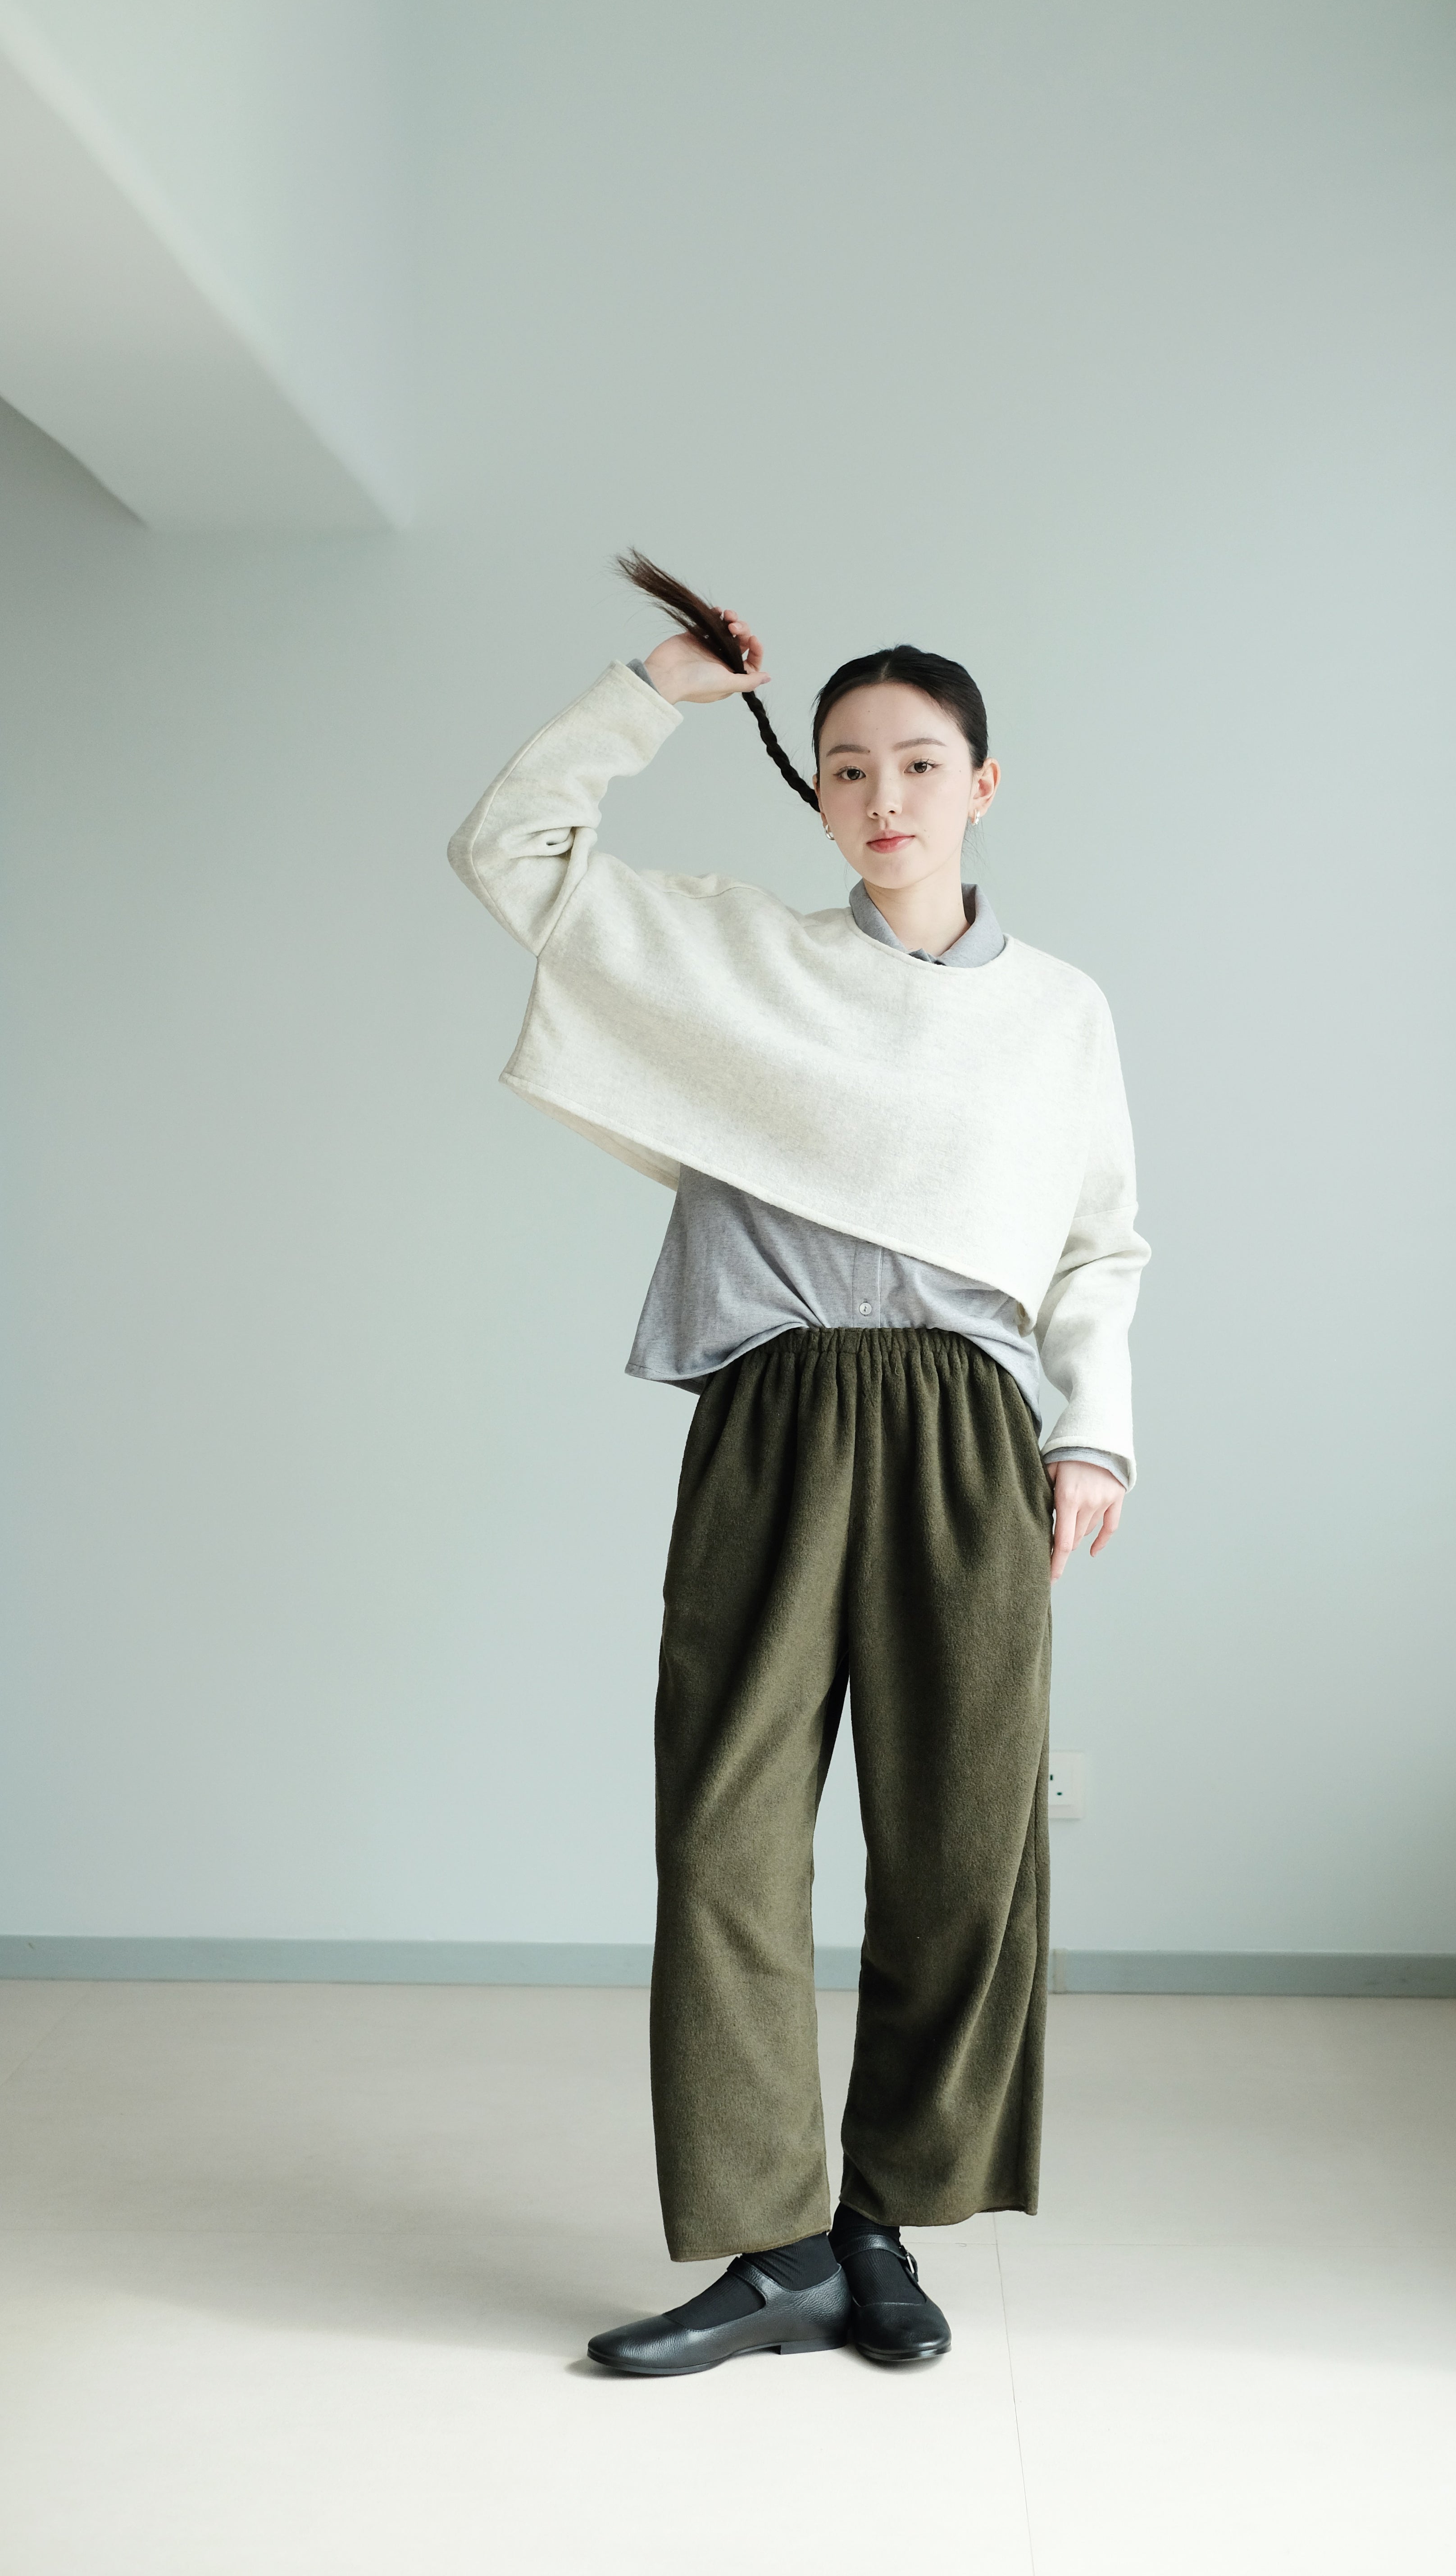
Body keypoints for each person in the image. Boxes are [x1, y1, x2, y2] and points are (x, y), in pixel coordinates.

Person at [447, 556, 1148, 2376]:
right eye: (846, 767)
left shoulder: (1059, 1013)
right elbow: (511, 850)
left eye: (918, 765)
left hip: (971, 1437)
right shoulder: (740, 961)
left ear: (982, 786)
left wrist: (1094, 1431)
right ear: (815, 791)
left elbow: (1098, 1240)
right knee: (728, 1837)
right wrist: (652, 691)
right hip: (775, 1414)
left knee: (963, 1847)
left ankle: (880, 2224)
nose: (882, 797)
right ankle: (772, 2250)